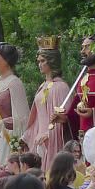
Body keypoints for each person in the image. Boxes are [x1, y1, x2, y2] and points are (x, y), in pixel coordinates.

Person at [21, 36, 70, 172]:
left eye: (43, 61)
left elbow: (62, 119)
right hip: (38, 139)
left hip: (52, 140)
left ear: (52, 61)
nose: (39, 64)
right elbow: (37, 118)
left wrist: (50, 134)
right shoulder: (43, 86)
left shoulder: (61, 87)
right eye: (38, 61)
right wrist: (27, 135)